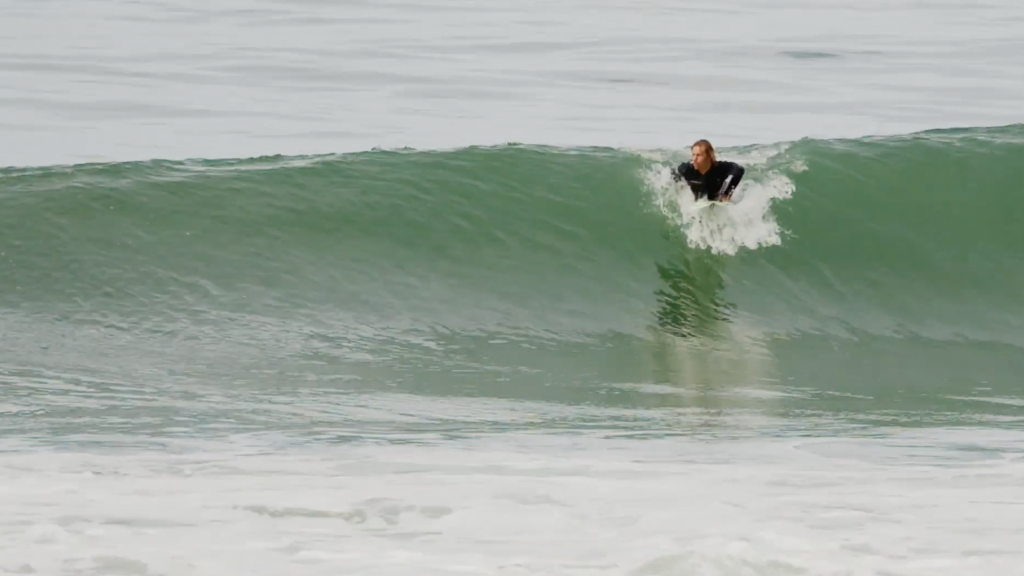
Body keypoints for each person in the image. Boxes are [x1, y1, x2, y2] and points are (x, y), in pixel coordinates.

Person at [671, 139, 745, 202]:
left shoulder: (719, 168)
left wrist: (726, 194)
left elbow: (739, 169)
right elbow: (673, 173)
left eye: (699, 155)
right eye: (693, 155)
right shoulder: (687, 169)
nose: (694, 159)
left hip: (715, 199)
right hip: (698, 201)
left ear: (709, 156)